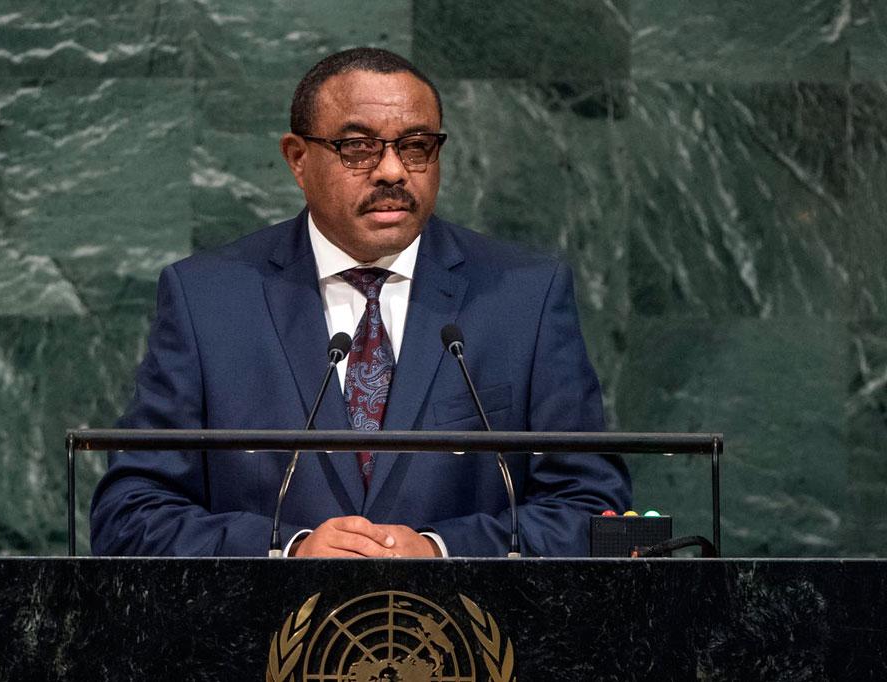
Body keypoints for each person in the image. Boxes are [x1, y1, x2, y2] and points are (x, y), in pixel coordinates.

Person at [90, 47, 631, 558]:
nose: (392, 171)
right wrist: (288, 550)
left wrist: (442, 550)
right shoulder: (208, 300)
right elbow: (131, 512)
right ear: (297, 158)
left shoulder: (523, 298)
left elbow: (592, 506)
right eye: (358, 147)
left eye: (416, 145)